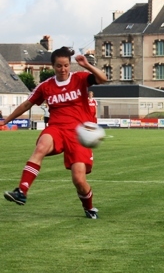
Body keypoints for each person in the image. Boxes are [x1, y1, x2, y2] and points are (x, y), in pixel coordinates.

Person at [1, 46, 107, 219]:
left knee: (79, 180)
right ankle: (22, 191)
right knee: (40, 147)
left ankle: (89, 207)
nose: (63, 69)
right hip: (56, 128)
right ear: (53, 66)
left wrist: (86, 65)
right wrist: (5, 120)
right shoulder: (46, 86)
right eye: (59, 66)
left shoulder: (79, 78)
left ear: (69, 65)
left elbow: (103, 79)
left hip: (79, 134)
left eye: (66, 65)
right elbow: (26, 104)